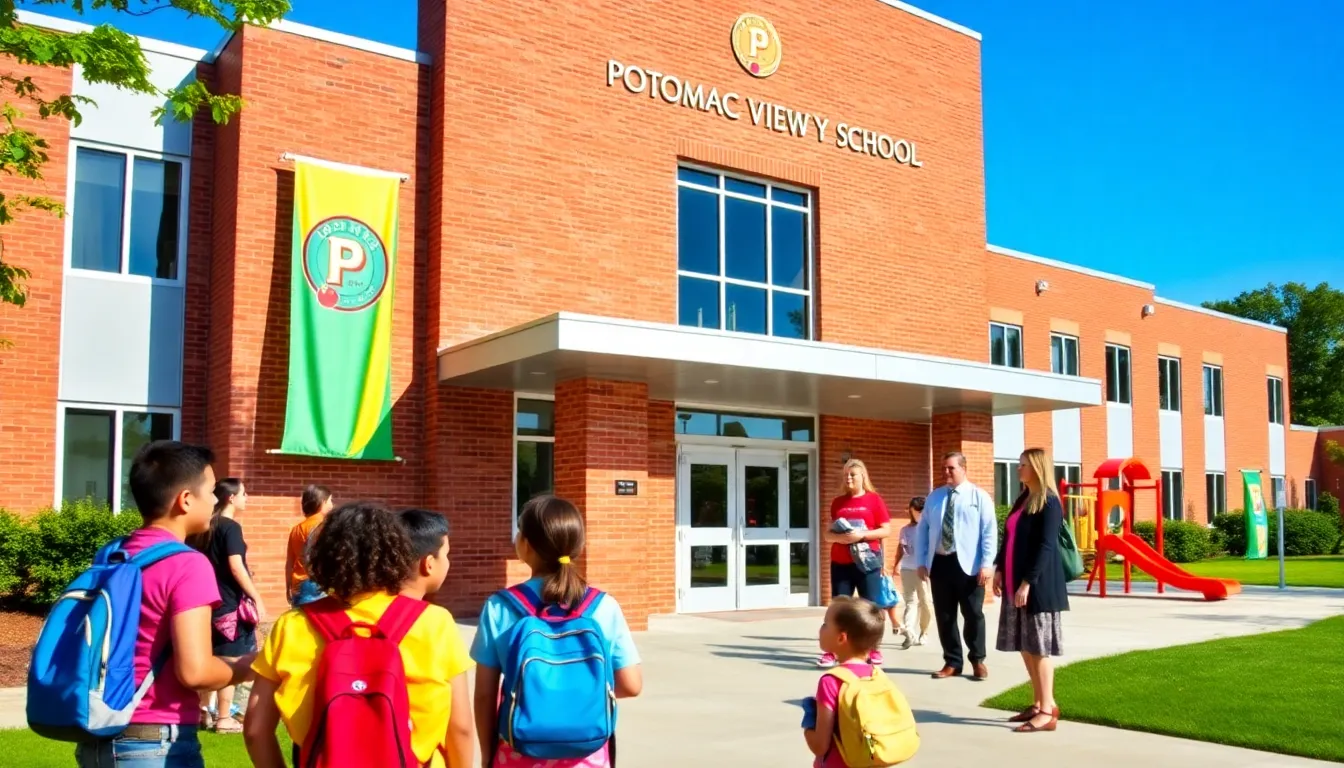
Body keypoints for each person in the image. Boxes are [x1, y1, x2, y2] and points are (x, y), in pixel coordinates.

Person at [244, 501, 475, 768]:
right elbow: (460, 729)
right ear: (397, 554)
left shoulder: (292, 625)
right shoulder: (433, 622)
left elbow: (255, 729)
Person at [75, 440, 255, 768]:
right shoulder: (188, 564)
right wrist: (254, 664)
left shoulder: (113, 554)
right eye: (212, 491)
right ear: (185, 500)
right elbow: (195, 672)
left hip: (98, 735)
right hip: (153, 741)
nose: (216, 500)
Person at [471, 495, 643, 767]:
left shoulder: (499, 608)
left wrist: (486, 755)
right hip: (587, 756)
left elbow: (484, 695)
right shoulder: (604, 607)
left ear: (525, 544)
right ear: (578, 545)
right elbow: (631, 685)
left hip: (517, 753)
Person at [994, 448, 1069, 733]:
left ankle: (1048, 711)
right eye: (1018, 465)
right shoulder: (1023, 499)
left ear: (1037, 468)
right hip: (1014, 583)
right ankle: (1038, 703)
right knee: (1025, 647)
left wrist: (1027, 582)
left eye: (1023, 465)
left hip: (1036, 588)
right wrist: (1000, 568)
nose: (1018, 470)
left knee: (1038, 649)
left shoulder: (1049, 502)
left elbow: (1046, 546)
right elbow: (1009, 538)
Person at [186, 477, 265, 734]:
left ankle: (201, 713)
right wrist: (256, 597)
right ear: (231, 497)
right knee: (230, 659)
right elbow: (236, 566)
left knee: (206, 655)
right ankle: (223, 718)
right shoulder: (230, 527)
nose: (247, 498)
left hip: (202, 600)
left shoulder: (201, 527)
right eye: (244, 493)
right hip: (229, 604)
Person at [915, 451, 997, 681]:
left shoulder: (978, 496)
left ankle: (978, 660)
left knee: (973, 614)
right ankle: (952, 662)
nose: (946, 472)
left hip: (970, 565)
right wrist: (921, 561)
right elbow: (923, 531)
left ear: (963, 468)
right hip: (941, 562)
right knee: (945, 616)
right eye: (944, 468)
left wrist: (987, 563)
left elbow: (988, 532)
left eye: (951, 468)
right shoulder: (934, 497)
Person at [800, 596, 892, 767]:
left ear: (841, 638)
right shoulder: (877, 675)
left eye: (825, 624)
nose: (821, 629)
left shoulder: (832, 681)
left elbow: (820, 746)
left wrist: (809, 722)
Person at [819, 458, 891, 667]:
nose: (849, 478)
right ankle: (832, 651)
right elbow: (827, 534)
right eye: (846, 475)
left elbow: (886, 530)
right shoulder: (838, 502)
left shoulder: (874, 500)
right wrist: (839, 538)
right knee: (839, 607)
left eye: (853, 475)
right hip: (841, 562)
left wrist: (861, 535)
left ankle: (873, 649)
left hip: (867, 562)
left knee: (871, 607)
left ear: (863, 477)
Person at [894, 496, 933, 649]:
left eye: (919, 511)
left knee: (925, 603)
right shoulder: (906, 529)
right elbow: (900, 549)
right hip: (907, 568)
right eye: (913, 512)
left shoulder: (930, 529)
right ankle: (909, 631)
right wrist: (896, 565)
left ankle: (924, 632)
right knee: (910, 601)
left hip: (923, 569)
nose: (916, 515)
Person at [285, 484, 333, 606]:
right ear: (322, 502)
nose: (332, 505)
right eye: (330, 501)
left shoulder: (296, 529)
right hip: (318, 584)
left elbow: (290, 563)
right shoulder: (325, 526)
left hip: (299, 585)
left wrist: (288, 586)